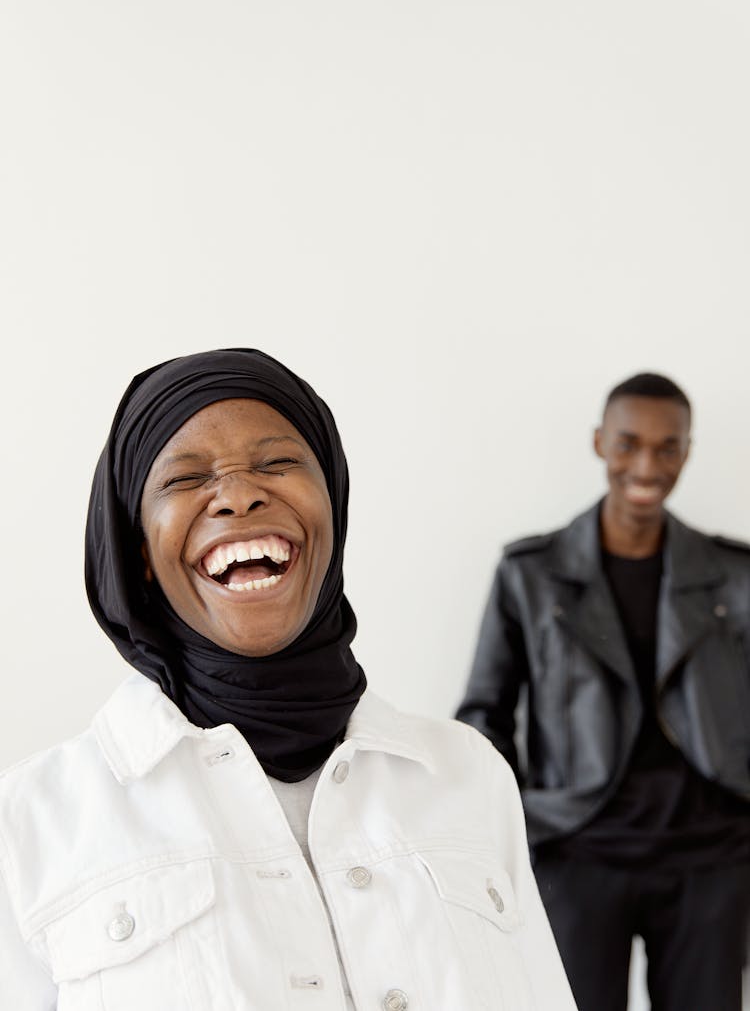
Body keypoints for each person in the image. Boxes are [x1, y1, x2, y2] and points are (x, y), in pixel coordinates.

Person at [0, 348, 575, 1010]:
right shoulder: (30, 823)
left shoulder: (469, 775)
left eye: (277, 462)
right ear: (140, 555)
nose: (240, 493)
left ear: (332, 505)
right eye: (185, 478)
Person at [456, 371, 750, 1011]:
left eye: (666, 447)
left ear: (687, 452)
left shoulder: (736, 576)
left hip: (710, 859)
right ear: (600, 444)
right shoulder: (531, 576)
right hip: (579, 852)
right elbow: (484, 717)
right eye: (628, 443)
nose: (646, 464)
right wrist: (519, 831)